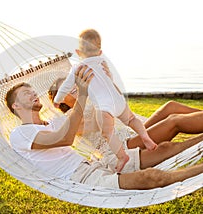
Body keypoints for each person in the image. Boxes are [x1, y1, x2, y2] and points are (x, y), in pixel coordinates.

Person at [6, 65, 203, 190]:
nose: (33, 94)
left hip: (96, 165)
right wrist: (82, 95)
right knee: (153, 176)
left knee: (167, 137)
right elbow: (64, 139)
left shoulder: (55, 123)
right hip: (80, 177)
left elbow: (105, 118)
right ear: (16, 106)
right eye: (26, 93)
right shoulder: (20, 133)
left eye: (33, 91)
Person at [53, 29, 157, 172]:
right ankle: (145, 136)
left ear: (78, 52)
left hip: (104, 105)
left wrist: (57, 99)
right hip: (118, 99)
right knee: (132, 119)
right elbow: (108, 80)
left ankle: (122, 156)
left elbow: (66, 86)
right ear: (100, 51)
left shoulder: (78, 68)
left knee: (107, 132)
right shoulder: (102, 61)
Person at [48, 77, 203, 154]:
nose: (72, 88)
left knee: (170, 106)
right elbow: (96, 125)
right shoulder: (70, 117)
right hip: (122, 147)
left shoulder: (89, 99)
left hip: (131, 134)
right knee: (173, 121)